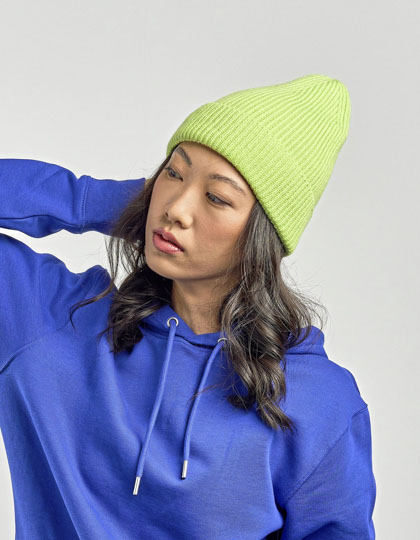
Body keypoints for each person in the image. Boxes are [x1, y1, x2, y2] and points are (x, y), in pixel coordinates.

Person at [0, 73, 376, 539]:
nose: (176, 207)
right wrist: (94, 200)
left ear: (263, 235)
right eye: (173, 173)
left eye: (216, 197)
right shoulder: (56, 321)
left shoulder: (317, 400)